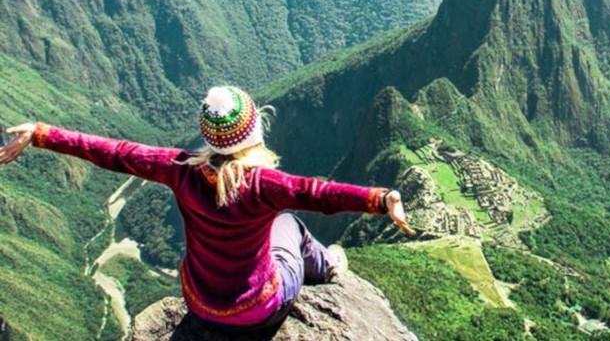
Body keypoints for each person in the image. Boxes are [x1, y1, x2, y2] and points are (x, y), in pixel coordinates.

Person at [0, 86, 414, 328]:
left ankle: (321, 265)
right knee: (289, 224)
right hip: (258, 308)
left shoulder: (179, 169)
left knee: (277, 225)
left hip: (201, 303)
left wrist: (41, 133)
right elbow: (317, 194)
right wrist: (380, 199)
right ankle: (329, 266)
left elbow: (114, 152)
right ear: (254, 132)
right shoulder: (262, 184)